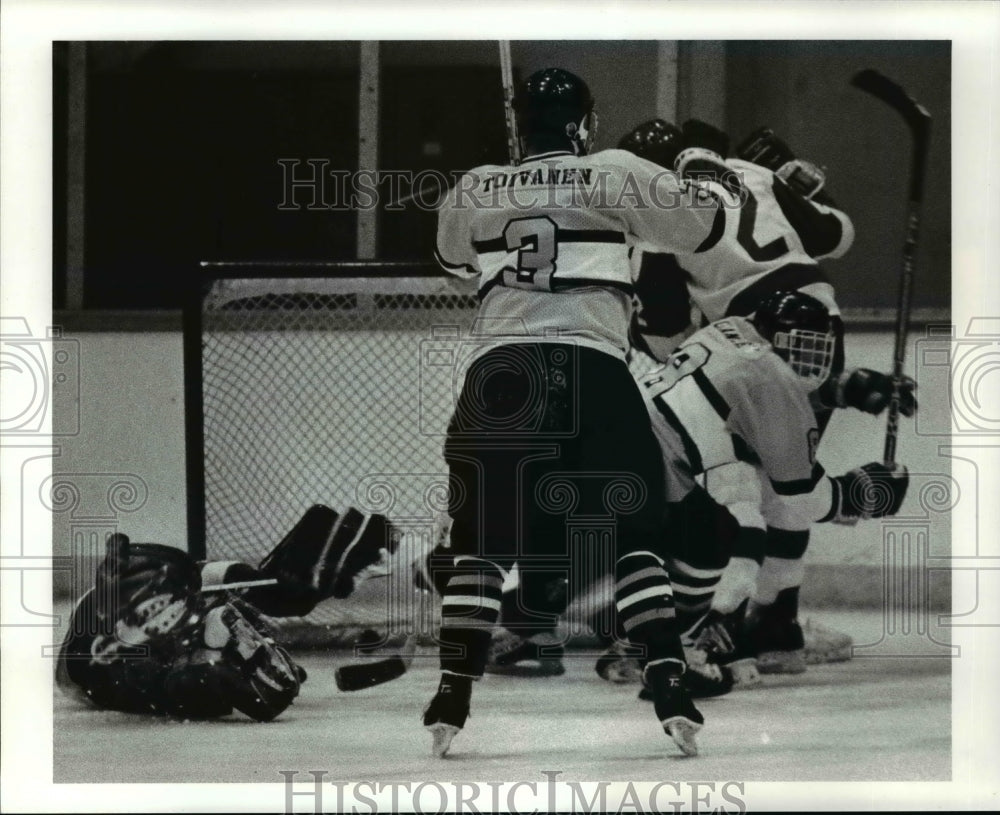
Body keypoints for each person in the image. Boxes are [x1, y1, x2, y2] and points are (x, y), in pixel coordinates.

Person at [426, 67, 729, 758]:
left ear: (519, 124)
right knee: (635, 531)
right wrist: (707, 179)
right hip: (593, 364)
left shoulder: (474, 184)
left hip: (501, 371)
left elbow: (451, 261)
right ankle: (667, 677)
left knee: (481, 540)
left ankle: (452, 692)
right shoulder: (613, 170)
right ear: (583, 123)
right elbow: (703, 228)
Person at [618, 118, 915, 673]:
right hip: (818, 314)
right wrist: (804, 181)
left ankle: (732, 616)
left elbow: (665, 330)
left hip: (752, 336)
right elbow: (837, 236)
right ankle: (774, 619)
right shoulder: (751, 172)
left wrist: (692, 362)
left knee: (755, 487)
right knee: (785, 479)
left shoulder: (658, 210)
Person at [56, 505, 396, 720]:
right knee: (191, 679)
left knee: (263, 597)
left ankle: (211, 640)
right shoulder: (129, 663)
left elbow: (210, 579)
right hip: (104, 669)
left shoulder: (162, 593)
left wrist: (258, 584)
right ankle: (208, 645)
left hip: (114, 655)